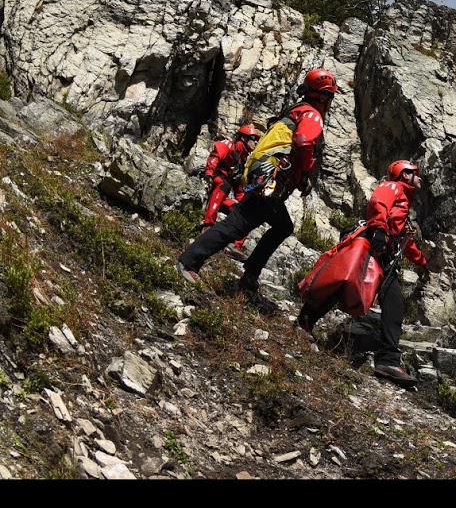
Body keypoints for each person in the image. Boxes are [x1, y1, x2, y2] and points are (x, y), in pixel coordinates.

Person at [177, 67, 339, 305]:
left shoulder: (294, 111)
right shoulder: (312, 114)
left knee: (283, 225)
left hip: (263, 175)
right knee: (236, 225)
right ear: (324, 96)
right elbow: (304, 142)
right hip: (272, 177)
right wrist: (304, 174)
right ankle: (189, 262)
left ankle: (251, 272)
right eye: (330, 96)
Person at [297, 159, 430, 388]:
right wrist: (378, 228)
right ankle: (303, 323)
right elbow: (378, 202)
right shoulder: (393, 187)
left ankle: (388, 360)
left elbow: (404, 241)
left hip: (384, 255)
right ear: (405, 175)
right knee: (342, 282)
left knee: (393, 305)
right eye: (415, 173)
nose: (420, 177)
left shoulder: (404, 203)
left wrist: (421, 261)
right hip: (373, 246)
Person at [199, 124, 261, 262]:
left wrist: (247, 200)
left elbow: (238, 190)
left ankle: (234, 246)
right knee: (223, 184)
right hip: (213, 181)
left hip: (221, 193)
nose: (256, 142)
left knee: (245, 213)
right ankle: (208, 225)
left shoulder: (242, 162)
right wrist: (209, 173)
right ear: (243, 138)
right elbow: (215, 156)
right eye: (253, 138)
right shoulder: (229, 146)